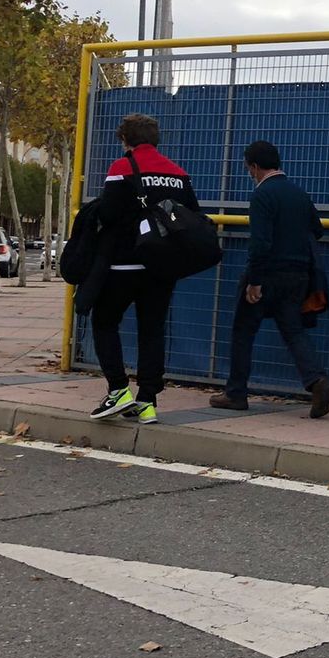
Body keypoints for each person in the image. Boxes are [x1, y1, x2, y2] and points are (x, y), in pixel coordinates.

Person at [87, 113, 200, 425]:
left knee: (105, 322)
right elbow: (192, 216)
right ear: (155, 138)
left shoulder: (122, 168)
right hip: (161, 268)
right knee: (152, 330)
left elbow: (107, 214)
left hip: (124, 263)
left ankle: (118, 389)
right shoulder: (179, 174)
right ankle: (147, 401)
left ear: (126, 140)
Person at [210, 140, 329, 417]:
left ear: (254, 167)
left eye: (249, 169)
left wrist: (255, 281)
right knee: (293, 330)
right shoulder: (299, 194)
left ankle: (236, 393)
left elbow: (260, 243)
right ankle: (318, 381)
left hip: (267, 274)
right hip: (298, 275)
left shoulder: (262, 195)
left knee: (243, 331)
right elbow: (317, 229)